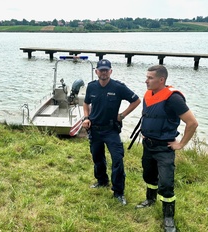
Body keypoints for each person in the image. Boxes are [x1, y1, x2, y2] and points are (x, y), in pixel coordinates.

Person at [133, 65, 198, 231]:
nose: (146, 80)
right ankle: (150, 199)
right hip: (148, 144)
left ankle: (168, 217)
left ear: (161, 80)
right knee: (149, 174)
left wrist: (181, 144)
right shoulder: (149, 94)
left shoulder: (173, 98)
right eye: (146, 77)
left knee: (166, 182)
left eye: (150, 78)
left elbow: (192, 123)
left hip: (164, 148)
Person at [82, 59, 141, 205]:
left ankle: (118, 192)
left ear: (110, 71)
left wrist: (122, 115)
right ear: (96, 72)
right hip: (95, 129)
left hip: (111, 130)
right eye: (101, 70)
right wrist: (86, 117)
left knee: (117, 159)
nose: (103, 72)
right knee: (97, 157)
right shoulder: (91, 87)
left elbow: (136, 101)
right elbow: (86, 102)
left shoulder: (118, 87)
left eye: (106, 70)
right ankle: (102, 181)